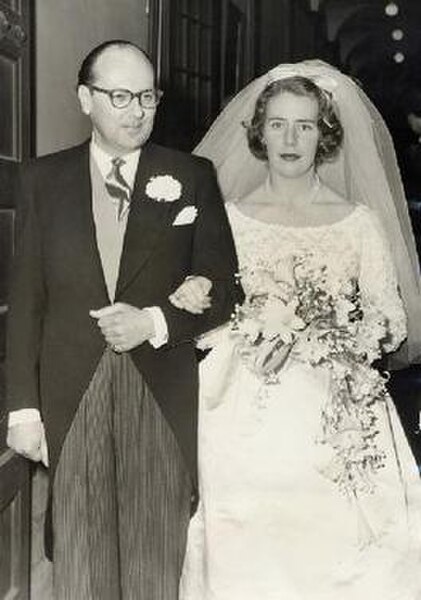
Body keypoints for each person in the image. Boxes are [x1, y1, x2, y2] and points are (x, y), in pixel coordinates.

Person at [173, 61, 421, 599]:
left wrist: (331, 333)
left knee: (338, 542)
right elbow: (203, 317)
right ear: (259, 131)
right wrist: (249, 330)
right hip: (243, 399)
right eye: (279, 124)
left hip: (336, 403)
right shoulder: (229, 217)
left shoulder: (358, 221)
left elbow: (391, 320)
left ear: (325, 134)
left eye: (305, 125)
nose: (291, 139)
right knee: (248, 536)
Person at [5, 40, 242, 599]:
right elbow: (25, 303)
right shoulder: (42, 180)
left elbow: (225, 286)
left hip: (160, 389)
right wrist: (22, 409)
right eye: (119, 96)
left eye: (147, 96)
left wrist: (156, 321)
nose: (136, 110)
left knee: (154, 556)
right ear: (85, 99)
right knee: (79, 558)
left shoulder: (192, 175)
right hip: (70, 391)